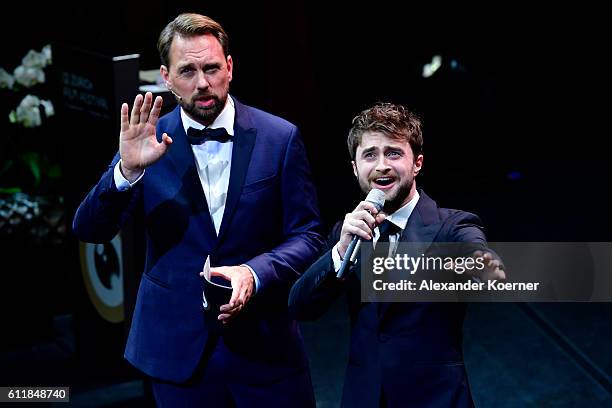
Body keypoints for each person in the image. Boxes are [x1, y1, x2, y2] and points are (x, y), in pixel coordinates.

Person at [73, 13, 323, 407]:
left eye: (210, 68)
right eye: (187, 71)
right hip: (176, 352)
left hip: (265, 351)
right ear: (166, 77)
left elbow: (308, 236)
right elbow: (89, 228)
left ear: (230, 67)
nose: (202, 83)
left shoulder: (280, 137)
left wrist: (253, 273)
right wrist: (126, 172)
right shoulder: (146, 143)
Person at [288, 102, 505, 407]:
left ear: (417, 163)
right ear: (355, 168)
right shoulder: (347, 232)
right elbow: (301, 306)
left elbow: (477, 256)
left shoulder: (451, 226)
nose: (381, 166)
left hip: (435, 400)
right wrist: (339, 251)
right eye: (370, 155)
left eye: (393, 153)